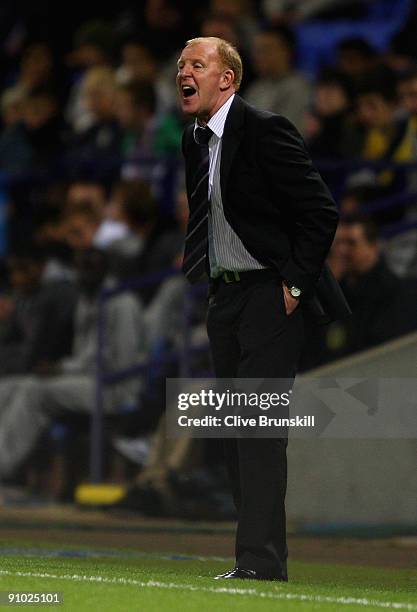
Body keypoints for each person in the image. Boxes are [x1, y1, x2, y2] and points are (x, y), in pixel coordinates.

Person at [177, 36, 349, 581]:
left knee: (259, 429)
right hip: (224, 295)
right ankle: (249, 556)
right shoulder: (193, 139)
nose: (184, 72)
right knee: (234, 432)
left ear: (227, 78)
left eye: (197, 65)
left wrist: (295, 286)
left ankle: (261, 561)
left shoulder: (266, 129)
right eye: (181, 65)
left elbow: (320, 212)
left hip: (270, 296)